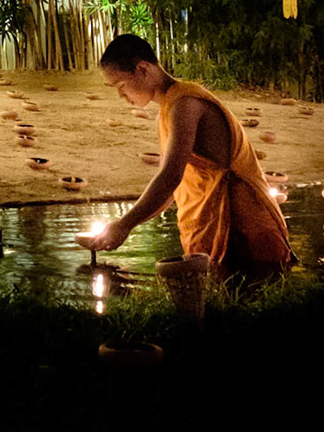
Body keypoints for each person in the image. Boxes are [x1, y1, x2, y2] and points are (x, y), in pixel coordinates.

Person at [77, 34, 293, 277]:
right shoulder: (170, 109)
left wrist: (124, 224)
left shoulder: (186, 105)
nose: (121, 96)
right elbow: (170, 190)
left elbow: (170, 176)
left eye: (121, 86)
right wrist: (123, 227)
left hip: (243, 231)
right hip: (214, 230)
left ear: (142, 69)